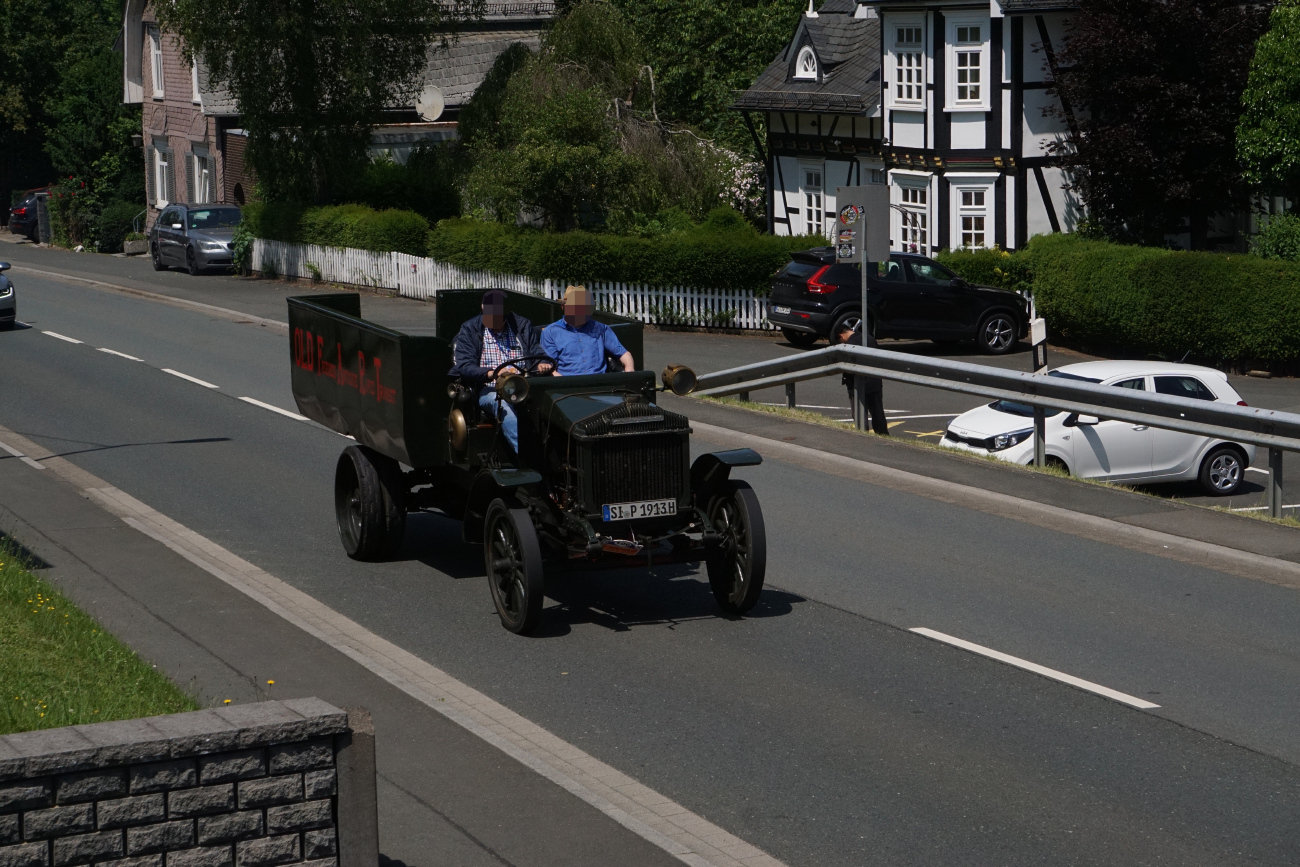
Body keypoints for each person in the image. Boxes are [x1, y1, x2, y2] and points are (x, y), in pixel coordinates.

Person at [451, 289, 547, 452]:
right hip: (490, 388)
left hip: (525, 385)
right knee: (503, 406)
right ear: (482, 308)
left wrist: (543, 362)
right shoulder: (470, 329)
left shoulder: (522, 326)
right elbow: (465, 365)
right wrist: (491, 373)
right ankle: (528, 455)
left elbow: (536, 350)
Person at [541, 285, 635, 376]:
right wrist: (561, 380)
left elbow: (624, 354)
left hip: (599, 382)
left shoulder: (600, 328)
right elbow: (549, 366)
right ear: (563, 307)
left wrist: (629, 369)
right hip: (567, 383)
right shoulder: (550, 332)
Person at [838, 318, 889, 435]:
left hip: (857, 384)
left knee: (860, 416)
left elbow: (848, 368)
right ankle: (883, 435)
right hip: (874, 382)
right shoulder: (869, 339)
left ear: (841, 335)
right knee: (878, 413)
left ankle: (863, 437)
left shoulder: (849, 345)